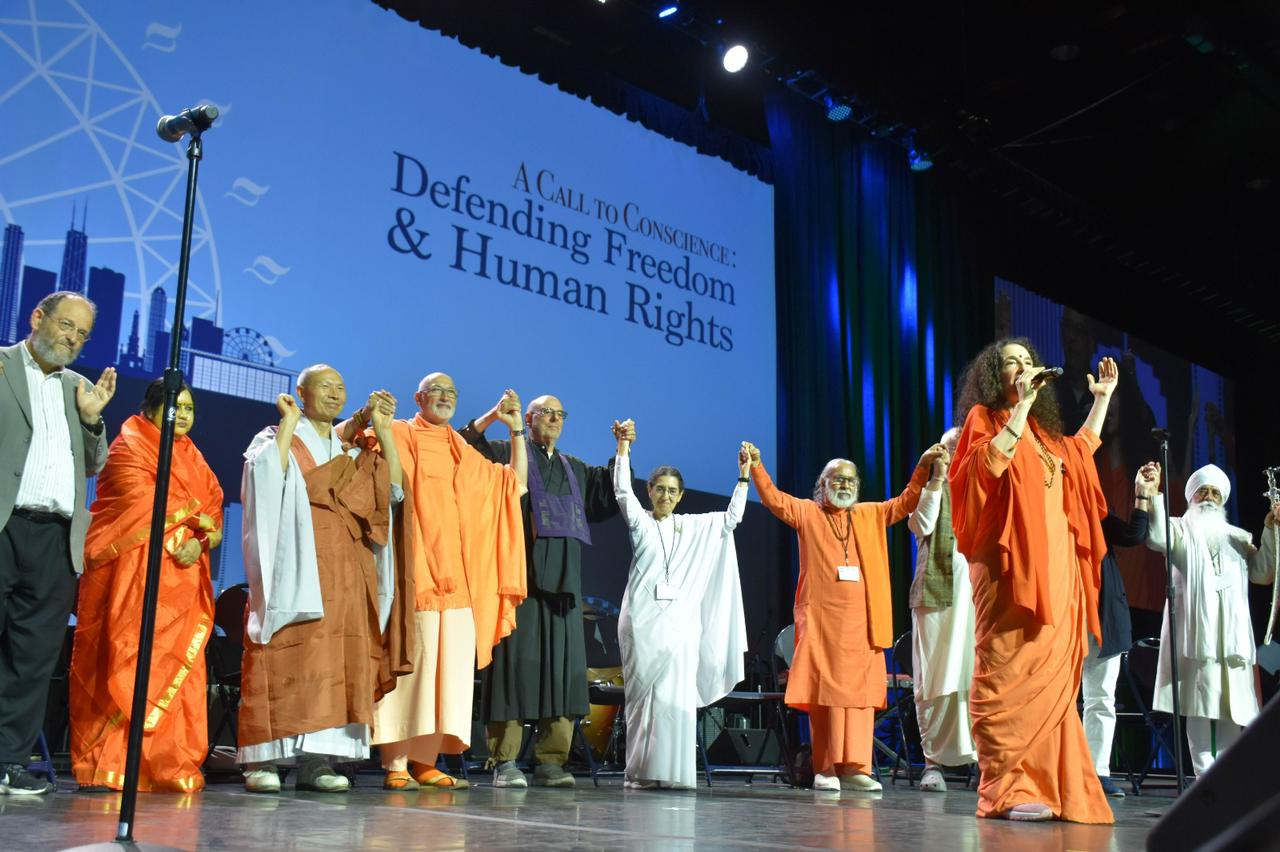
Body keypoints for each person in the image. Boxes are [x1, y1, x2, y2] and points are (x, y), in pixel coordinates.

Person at [949, 338, 1116, 823]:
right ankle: (1007, 787)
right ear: (994, 376)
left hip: (1057, 570)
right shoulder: (985, 417)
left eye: (1027, 361)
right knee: (1006, 671)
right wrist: (1020, 408)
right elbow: (984, 467)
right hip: (1007, 569)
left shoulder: (1046, 434)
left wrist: (1102, 400)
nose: (1022, 367)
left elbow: (1080, 453)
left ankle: (1048, 785)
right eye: (1011, 362)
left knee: (1050, 682)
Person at [237, 365, 407, 793]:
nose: (334, 394)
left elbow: (392, 491)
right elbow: (264, 478)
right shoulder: (275, 436)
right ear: (301, 393)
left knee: (334, 661)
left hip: (345, 567)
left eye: (340, 388)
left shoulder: (349, 448)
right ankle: (264, 760)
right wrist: (288, 423)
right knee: (286, 652)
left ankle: (317, 761)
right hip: (295, 559)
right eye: (325, 386)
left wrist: (382, 429)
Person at [743, 439, 945, 793]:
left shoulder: (869, 514)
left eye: (851, 480)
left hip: (864, 625)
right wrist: (757, 466)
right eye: (837, 479)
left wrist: (924, 466)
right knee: (829, 700)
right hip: (824, 626)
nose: (845, 485)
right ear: (822, 485)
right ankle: (826, 768)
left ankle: (856, 768)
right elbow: (774, 499)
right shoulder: (808, 512)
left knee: (861, 698)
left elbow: (906, 502)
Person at [355, 377, 527, 790]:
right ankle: (396, 764)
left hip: (461, 583)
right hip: (415, 575)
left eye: (452, 392)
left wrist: (517, 431)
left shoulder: (461, 449)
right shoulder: (399, 432)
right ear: (419, 398)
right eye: (437, 390)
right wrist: (373, 419)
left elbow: (514, 485)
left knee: (448, 677)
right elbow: (363, 452)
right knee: (410, 673)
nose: (446, 397)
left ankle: (425, 762)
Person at [68, 380, 222, 792]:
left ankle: (165, 764)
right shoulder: (128, 448)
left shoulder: (195, 459)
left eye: (189, 408)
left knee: (173, 667)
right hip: (132, 578)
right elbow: (135, 502)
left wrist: (199, 541)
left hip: (182, 581)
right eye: (175, 406)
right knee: (128, 657)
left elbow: (214, 517)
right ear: (151, 408)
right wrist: (192, 525)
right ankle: (111, 764)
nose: (183, 415)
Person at [461, 395, 622, 788]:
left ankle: (552, 760)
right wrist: (494, 417)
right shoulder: (507, 452)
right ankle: (504, 760)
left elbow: (607, 496)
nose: (553, 419)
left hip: (565, 587)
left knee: (564, 673)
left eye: (559, 414)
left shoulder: (574, 468)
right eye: (545, 413)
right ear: (529, 419)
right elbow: (465, 448)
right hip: (520, 582)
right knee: (513, 670)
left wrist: (622, 449)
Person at [0, 291, 115, 796]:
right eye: (66, 325)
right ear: (37, 317)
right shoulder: (2, 366)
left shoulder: (78, 389)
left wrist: (91, 421)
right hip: (4, 524)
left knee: (32, 657)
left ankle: (7, 761)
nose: (72, 338)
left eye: (82, 333)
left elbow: (94, 463)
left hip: (55, 538)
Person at [612, 421, 748, 789]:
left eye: (672, 491)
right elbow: (622, 491)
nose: (666, 496)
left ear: (681, 495)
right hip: (642, 623)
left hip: (680, 627)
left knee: (674, 702)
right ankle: (641, 772)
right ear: (650, 490)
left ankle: (671, 773)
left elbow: (731, 519)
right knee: (643, 701)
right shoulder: (640, 523)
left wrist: (743, 478)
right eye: (660, 489)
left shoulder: (690, 528)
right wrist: (623, 449)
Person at [1146, 462, 1280, 775]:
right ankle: (1204, 779)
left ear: (1222, 500)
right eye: (1202, 492)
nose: (1208, 497)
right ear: (1191, 497)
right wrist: (1152, 495)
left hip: (1231, 640)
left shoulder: (1238, 537)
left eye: (1215, 493)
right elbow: (1155, 537)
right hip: (1197, 637)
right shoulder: (1178, 529)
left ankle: (1228, 780)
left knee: (1232, 708)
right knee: (1200, 706)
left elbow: (1262, 573)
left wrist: (1272, 528)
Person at [1081, 462, 1157, 798]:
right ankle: (1059, 770)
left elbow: (1132, 536)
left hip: (1104, 615)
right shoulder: (1048, 514)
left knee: (1101, 698)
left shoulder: (1095, 513)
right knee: (1058, 700)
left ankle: (1096, 771)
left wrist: (1142, 495)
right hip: (1066, 614)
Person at [906, 427, 977, 793]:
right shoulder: (929, 486)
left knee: (973, 676)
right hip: (935, 591)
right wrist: (937, 479)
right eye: (949, 448)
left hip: (976, 594)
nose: (955, 453)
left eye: (961, 447)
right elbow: (920, 524)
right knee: (934, 679)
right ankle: (933, 763)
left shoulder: (983, 484)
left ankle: (980, 757)